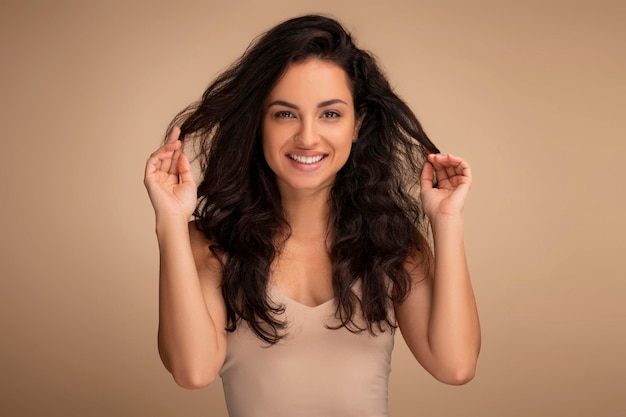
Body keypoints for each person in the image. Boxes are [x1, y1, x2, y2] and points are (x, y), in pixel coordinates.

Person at [144, 14, 480, 417]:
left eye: (330, 114)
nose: (307, 136)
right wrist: (169, 221)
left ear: (358, 124)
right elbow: (192, 370)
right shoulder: (210, 244)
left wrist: (447, 220)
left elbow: (455, 366)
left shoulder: (393, 242)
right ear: (259, 124)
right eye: (285, 114)